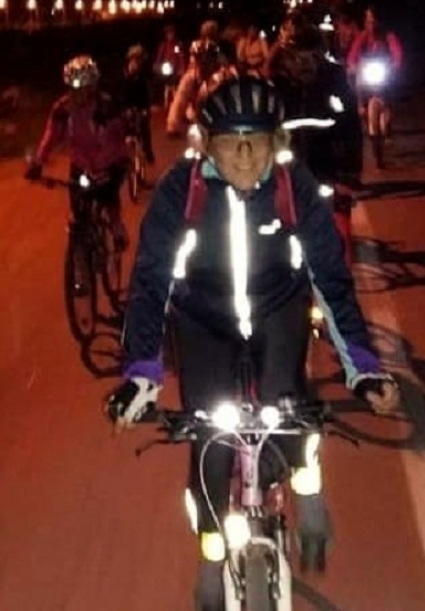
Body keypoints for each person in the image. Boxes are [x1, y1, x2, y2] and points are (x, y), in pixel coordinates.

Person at [105, 73, 399, 609]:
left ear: (276, 142)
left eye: (257, 139)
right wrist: (141, 374)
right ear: (208, 144)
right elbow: (150, 282)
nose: (243, 153)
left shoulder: (294, 186)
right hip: (203, 319)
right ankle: (212, 557)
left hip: (277, 308)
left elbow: (331, 279)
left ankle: (308, 491)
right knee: (209, 445)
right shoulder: (182, 190)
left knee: (290, 407)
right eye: (230, 139)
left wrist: (363, 365)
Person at [269, 11, 363, 265]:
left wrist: (348, 176)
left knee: (339, 238)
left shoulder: (334, 77)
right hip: (286, 170)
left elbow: (351, 126)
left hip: (327, 167)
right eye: (296, 56)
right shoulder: (272, 83)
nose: (303, 63)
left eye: (309, 55)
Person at [26, 55, 132, 248]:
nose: (76, 93)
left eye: (82, 88)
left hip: (107, 164)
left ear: (92, 88)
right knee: (78, 215)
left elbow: (118, 138)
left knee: (109, 196)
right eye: (73, 88)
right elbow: (51, 135)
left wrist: (118, 163)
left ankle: (117, 226)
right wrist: (37, 162)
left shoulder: (105, 106)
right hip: (80, 165)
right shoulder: (62, 109)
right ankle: (81, 259)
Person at [346, 5, 404, 131]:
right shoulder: (362, 36)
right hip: (366, 73)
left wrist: (395, 65)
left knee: (390, 90)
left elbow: (396, 51)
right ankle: (360, 104)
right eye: (368, 20)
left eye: (373, 20)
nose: (370, 24)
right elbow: (353, 54)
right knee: (355, 82)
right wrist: (352, 65)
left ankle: (388, 112)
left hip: (383, 71)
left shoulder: (388, 36)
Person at [166, 39, 226, 137]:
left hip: (221, 123)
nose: (203, 63)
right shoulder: (190, 78)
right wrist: (172, 125)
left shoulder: (222, 76)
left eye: (206, 59)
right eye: (199, 59)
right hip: (198, 120)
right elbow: (179, 101)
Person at [116, 44, 157, 168]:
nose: (137, 64)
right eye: (135, 60)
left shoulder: (142, 77)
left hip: (139, 106)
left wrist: (145, 110)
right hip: (124, 106)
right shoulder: (122, 75)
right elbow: (116, 94)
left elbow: (146, 94)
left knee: (144, 127)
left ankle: (148, 152)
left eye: (139, 61)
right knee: (119, 129)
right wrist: (120, 109)